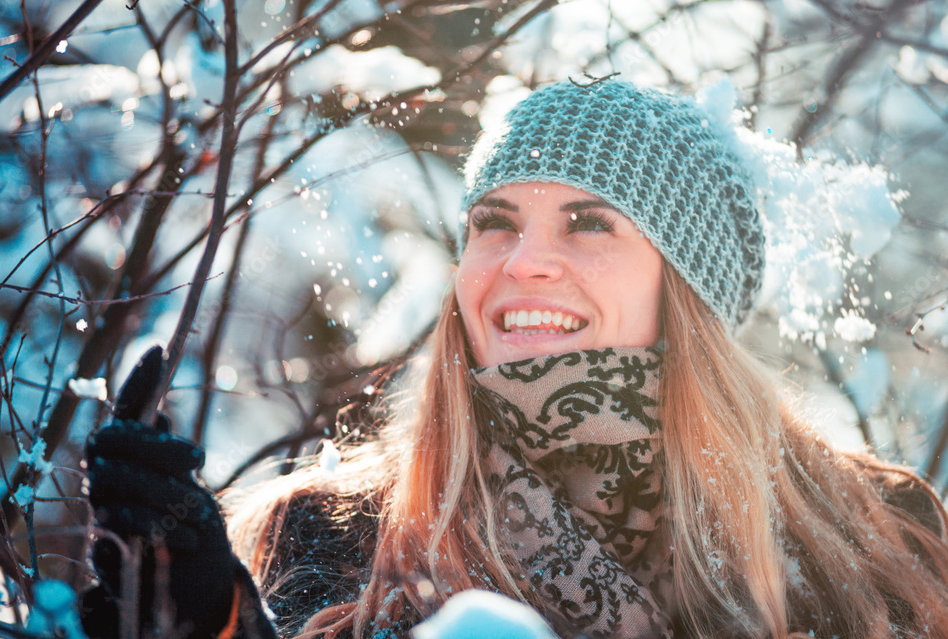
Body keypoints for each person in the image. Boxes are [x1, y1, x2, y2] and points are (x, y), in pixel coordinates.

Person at [82, 79, 948, 639]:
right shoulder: (329, 531)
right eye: (494, 222)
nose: (520, 260)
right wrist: (214, 621)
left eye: (589, 221)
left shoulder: (869, 535)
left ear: (686, 292)